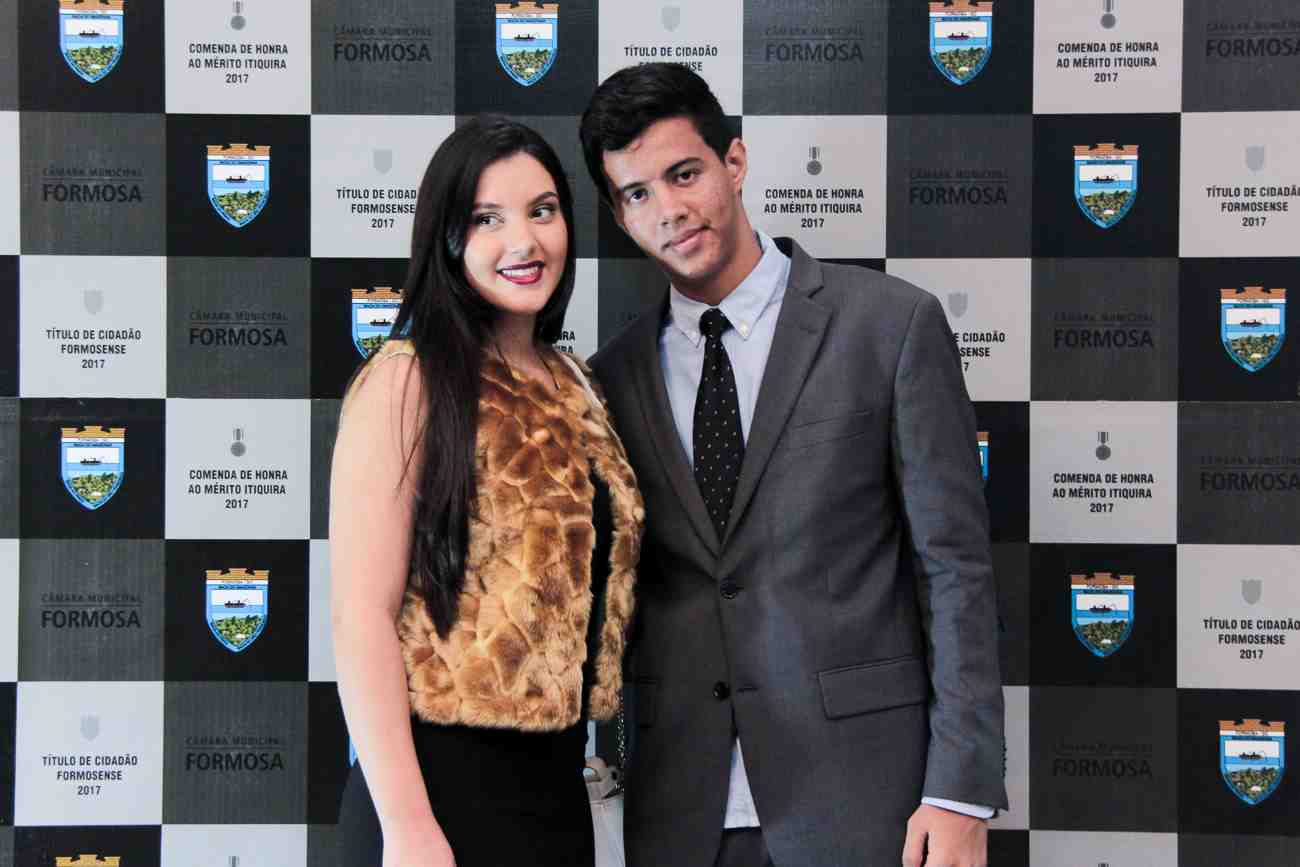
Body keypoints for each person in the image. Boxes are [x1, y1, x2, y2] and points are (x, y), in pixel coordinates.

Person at [580, 63, 1007, 867]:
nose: (669, 210)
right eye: (637, 193)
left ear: (734, 162)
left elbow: (954, 569)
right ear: (619, 213)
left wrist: (959, 790)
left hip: (868, 805)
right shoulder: (610, 380)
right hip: (681, 814)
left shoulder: (890, 327)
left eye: (684, 174)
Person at [329, 116, 644, 867]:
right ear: (447, 237)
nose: (523, 242)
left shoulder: (579, 384)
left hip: (555, 790)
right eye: (487, 219)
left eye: (542, 210)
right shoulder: (407, 379)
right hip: (436, 789)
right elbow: (360, 617)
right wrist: (407, 826)